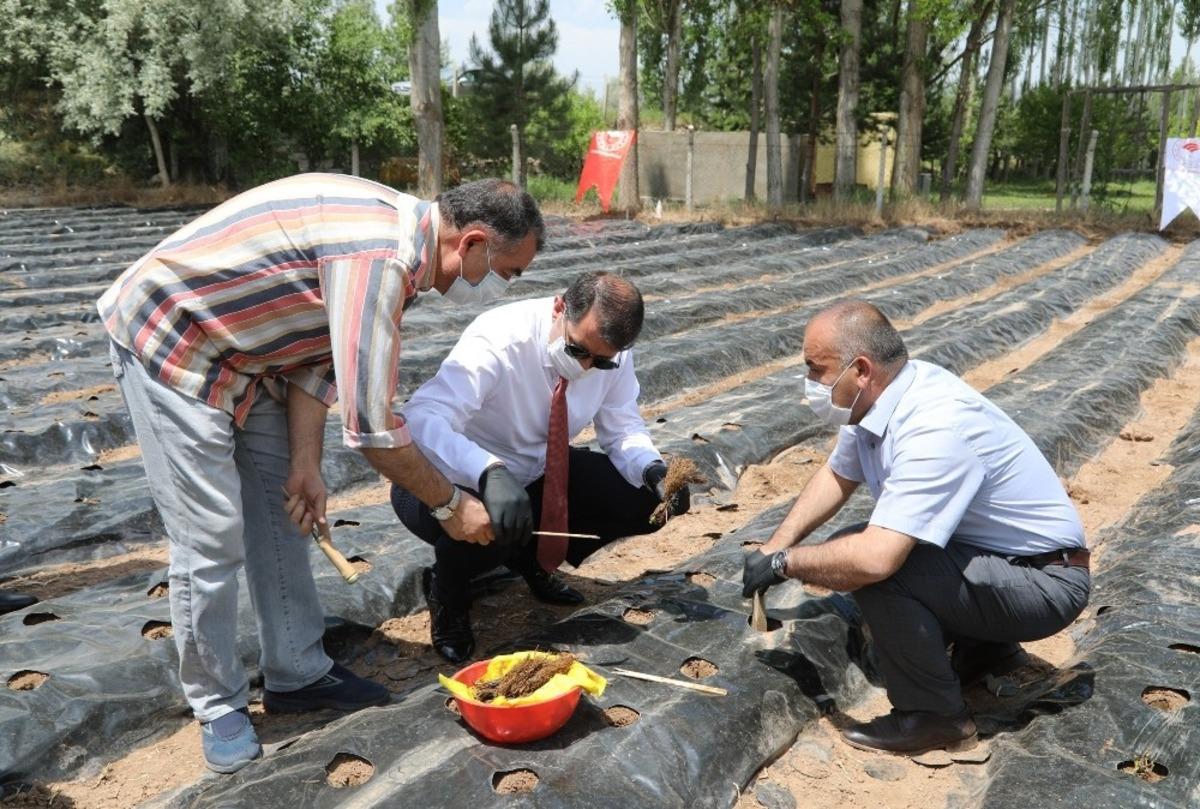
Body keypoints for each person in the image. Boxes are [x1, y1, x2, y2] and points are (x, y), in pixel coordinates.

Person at [98, 174, 544, 773]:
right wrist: (449, 506)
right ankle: (217, 703)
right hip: (174, 342)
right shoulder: (378, 258)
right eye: (504, 272)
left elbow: (318, 354)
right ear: (472, 243)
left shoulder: (403, 250)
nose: (495, 288)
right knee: (211, 537)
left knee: (287, 516)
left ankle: (296, 672)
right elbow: (376, 432)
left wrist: (305, 463)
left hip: (253, 356)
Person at [742, 300, 1089, 756]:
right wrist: (776, 544)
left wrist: (787, 564)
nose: (810, 384)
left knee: (879, 566)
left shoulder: (935, 425)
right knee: (878, 543)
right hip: (1001, 563)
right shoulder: (880, 400)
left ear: (860, 370)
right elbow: (838, 475)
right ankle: (988, 656)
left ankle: (935, 717)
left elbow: (875, 559)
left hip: (1044, 582)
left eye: (816, 369)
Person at [390, 272, 690, 662]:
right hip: (444, 482)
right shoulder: (499, 339)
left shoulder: (612, 353)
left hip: (537, 474)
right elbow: (424, 418)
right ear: (559, 307)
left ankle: (531, 560)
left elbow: (622, 427)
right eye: (578, 350)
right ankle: (447, 593)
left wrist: (652, 470)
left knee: (641, 501)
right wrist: (487, 470)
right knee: (498, 519)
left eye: (600, 362)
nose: (585, 367)